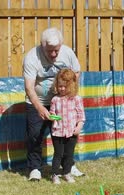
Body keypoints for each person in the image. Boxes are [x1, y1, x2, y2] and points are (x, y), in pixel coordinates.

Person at [23, 27, 84, 181]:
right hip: (39, 101)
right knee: (35, 135)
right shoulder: (31, 57)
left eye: (56, 50)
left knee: (66, 136)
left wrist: (70, 95)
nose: (53, 54)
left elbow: (76, 72)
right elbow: (29, 87)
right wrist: (39, 107)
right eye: (49, 51)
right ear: (42, 46)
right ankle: (35, 168)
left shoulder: (68, 53)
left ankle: (68, 167)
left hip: (63, 102)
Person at [49, 69, 85, 184]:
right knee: (58, 154)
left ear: (72, 86)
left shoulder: (76, 99)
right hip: (58, 132)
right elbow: (52, 113)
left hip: (72, 132)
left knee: (69, 154)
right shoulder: (55, 99)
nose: (62, 89)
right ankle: (54, 174)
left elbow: (81, 116)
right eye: (60, 86)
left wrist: (78, 127)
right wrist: (53, 117)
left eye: (65, 86)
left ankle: (66, 173)